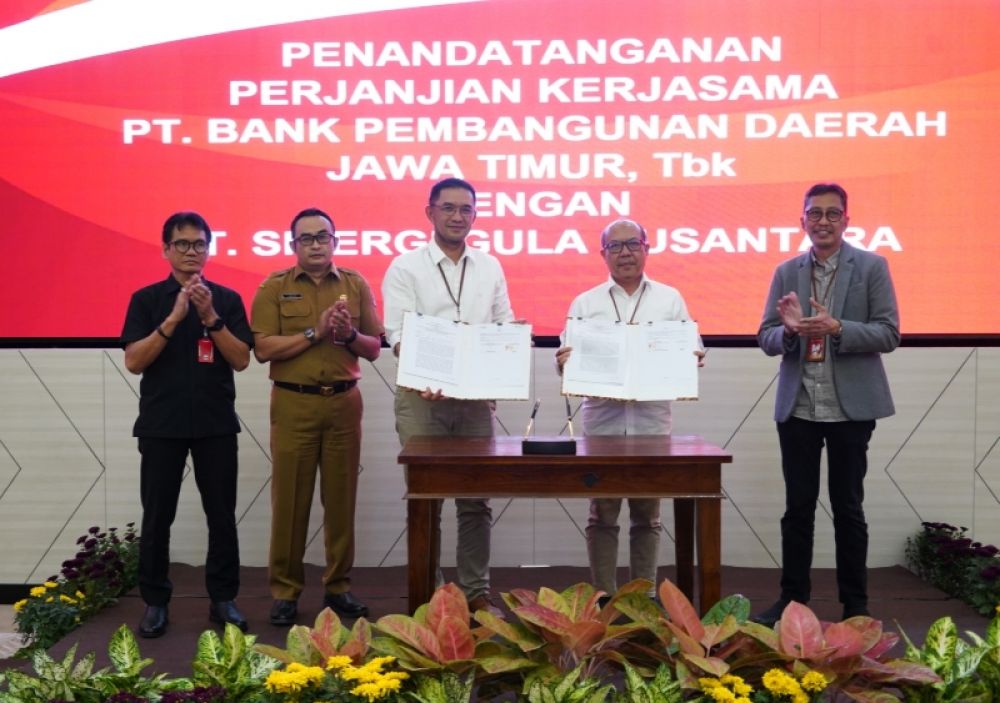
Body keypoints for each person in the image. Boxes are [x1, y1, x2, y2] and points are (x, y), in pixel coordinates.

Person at [753, 183, 900, 626]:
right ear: (802, 221)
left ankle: (855, 605)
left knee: (848, 508)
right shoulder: (786, 271)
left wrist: (838, 328)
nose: (823, 221)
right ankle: (792, 600)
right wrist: (792, 332)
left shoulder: (872, 266)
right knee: (798, 508)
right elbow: (765, 337)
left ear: (846, 221)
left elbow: (889, 333)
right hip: (798, 406)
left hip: (849, 408)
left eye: (832, 214)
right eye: (814, 214)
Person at [382, 177, 515, 613]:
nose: (458, 217)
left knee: (476, 501)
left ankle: (476, 593)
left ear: (474, 215)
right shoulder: (406, 267)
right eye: (449, 208)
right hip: (423, 398)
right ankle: (433, 596)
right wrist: (426, 374)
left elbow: (502, 323)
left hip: (474, 402)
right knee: (427, 499)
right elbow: (399, 333)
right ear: (430, 212)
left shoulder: (490, 266)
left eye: (466, 209)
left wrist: (508, 353)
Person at [555, 218, 703, 602]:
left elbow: (693, 345)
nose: (624, 253)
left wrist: (691, 357)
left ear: (646, 247)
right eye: (615, 246)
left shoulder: (669, 298)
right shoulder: (585, 303)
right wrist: (564, 363)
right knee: (602, 512)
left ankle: (643, 597)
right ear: (603, 253)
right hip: (602, 421)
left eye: (632, 244)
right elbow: (567, 360)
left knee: (647, 513)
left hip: (651, 420)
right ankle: (603, 595)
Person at [121, 211, 253, 638]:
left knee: (222, 515)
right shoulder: (146, 300)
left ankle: (223, 599)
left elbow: (240, 359)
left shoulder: (228, 299)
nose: (191, 251)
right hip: (161, 425)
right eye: (182, 244)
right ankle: (156, 602)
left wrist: (210, 316)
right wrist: (175, 317)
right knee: (158, 515)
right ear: (166, 250)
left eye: (199, 244)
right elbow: (134, 361)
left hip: (216, 423)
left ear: (209, 250)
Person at [251, 207, 383, 626]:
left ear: (335, 241)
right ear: (293, 246)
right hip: (294, 403)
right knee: (290, 500)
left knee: (341, 500)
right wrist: (315, 333)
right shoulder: (274, 287)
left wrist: (347, 336)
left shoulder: (356, 284)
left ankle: (339, 586)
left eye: (322, 237)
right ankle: (286, 591)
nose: (315, 244)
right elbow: (264, 349)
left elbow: (374, 346)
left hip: (344, 402)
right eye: (305, 238)